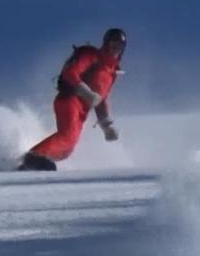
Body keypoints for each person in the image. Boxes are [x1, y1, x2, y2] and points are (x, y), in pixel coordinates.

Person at [19, 28, 127, 171]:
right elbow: (70, 72)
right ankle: (34, 157)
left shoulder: (112, 72)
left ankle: (25, 163)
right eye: (113, 45)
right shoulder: (92, 55)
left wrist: (106, 126)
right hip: (70, 99)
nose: (115, 49)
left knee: (66, 151)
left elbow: (102, 99)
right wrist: (86, 91)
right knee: (68, 136)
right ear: (106, 44)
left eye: (119, 47)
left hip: (83, 111)